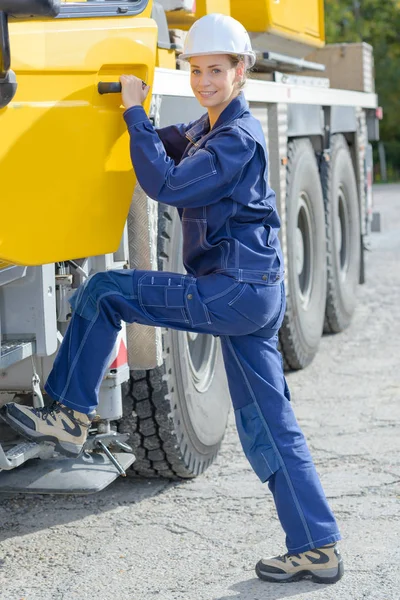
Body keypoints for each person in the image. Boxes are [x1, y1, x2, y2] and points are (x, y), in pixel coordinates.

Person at [1, 13, 343, 584]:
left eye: (216, 70)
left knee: (107, 291)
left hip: (233, 293)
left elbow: (167, 185)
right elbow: (164, 146)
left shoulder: (235, 139)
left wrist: (134, 112)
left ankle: (68, 414)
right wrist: (123, 122)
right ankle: (317, 545)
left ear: (241, 71)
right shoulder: (209, 128)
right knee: (269, 425)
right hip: (252, 293)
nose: (204, 79)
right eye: (196, 69)